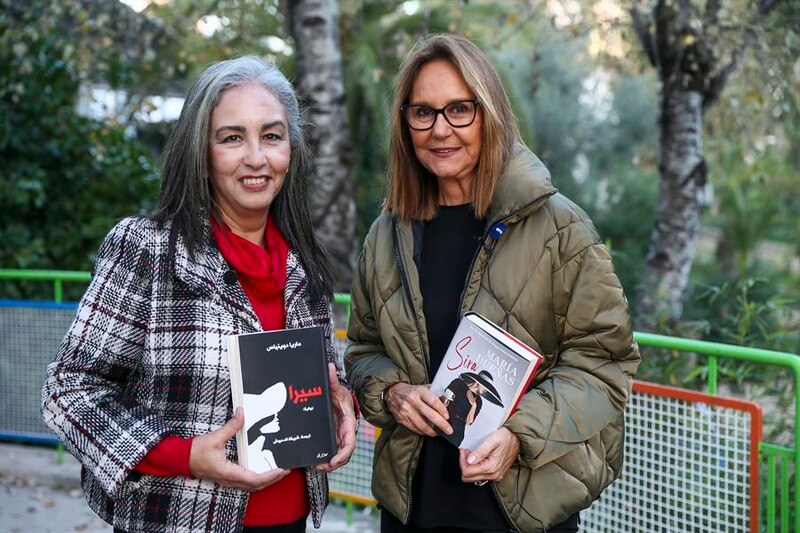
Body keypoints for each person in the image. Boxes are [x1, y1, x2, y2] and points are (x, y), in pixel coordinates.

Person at [41, 55, 357, 533]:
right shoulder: (147, 249)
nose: (256, 157)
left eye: (271, 136)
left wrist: (341, 404)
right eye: (232, 138)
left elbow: (315, 376)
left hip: (290, 520)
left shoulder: (303, 261)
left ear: (290, 148)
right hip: (181, 520)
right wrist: (183, 455)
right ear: (201, 151)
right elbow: (68, 390)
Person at [344, 34, 640, 532]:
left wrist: (520, 434)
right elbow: (363, 351)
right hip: (414, 508)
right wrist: (391, 392)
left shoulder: (561, 229)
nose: (440, 129)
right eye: (422, 112)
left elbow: (604, 364)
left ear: (491, 114)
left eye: (460, 109)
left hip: (525, 509)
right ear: (405, 124)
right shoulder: (386, 236)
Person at [440, 371, 502, 447]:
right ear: (479, 382)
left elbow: (469, 422)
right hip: (445, 421)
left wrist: (474, 405)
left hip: (458, 432)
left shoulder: (479, 401)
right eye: (485, 386)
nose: (486, 390)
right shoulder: (458, 383)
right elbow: (444, 398)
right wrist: (446, 400)